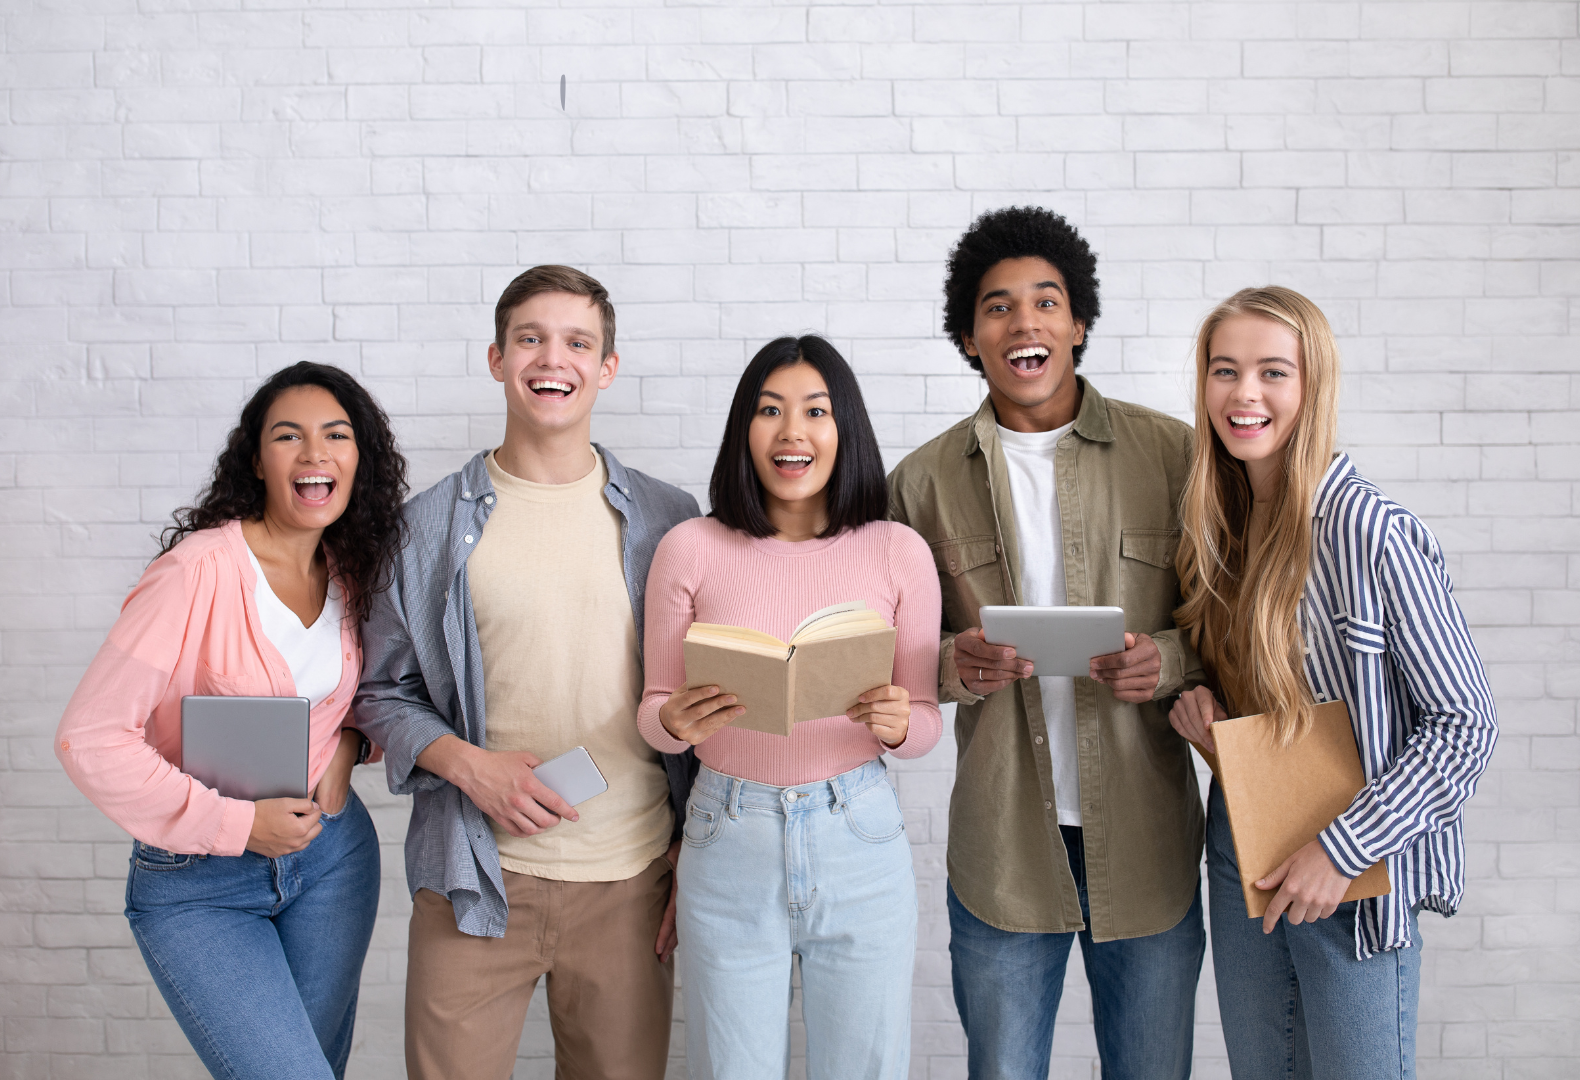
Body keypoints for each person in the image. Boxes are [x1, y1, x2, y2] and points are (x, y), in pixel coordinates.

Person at [353, 265, 699, 1080]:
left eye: (578, 342)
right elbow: (380, 692)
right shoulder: (425, 528)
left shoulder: (669, 520)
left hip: (631, 881)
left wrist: (698, 850)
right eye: (531, 339)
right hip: (473, 881)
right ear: (497, 358)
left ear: (607, 366)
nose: (554, 358)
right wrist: (467, 766)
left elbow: (704, 705)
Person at [886, 206, 1207, 1080]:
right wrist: (952, 664)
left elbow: (1228, 629)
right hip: (1003, 847)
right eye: (997, 307)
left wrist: (1169, 661)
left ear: (1079, 324)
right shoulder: (917, 485)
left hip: (1148, 840)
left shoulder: (1175, 457)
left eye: (1045, 302)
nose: (1023, 321)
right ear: (968, 336)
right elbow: (879, 657)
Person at [1167, 286, 1498, 1079]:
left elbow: (1464, 725)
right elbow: (1281, 715)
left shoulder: (1370, 530)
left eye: (1272, 372)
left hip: (1352, 872)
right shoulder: (1221, 526)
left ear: (1313, 387)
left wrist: (1341, 849)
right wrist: (1212, 729)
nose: (1244, 393)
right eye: (1224, 370)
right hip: (1242, 847)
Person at [55, 362, 407, 1080]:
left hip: (332, 860)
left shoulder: (351, 567)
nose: (315, 453)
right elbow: (89, 737)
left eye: (336, 435)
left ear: (358, 457)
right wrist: (240, 827)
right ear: (257, 459)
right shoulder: (198, 572)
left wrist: (351, 743)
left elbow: (367, 698)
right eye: (289, 436)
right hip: (199, 885)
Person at [638, 334, 942, 1080]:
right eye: (770, 411)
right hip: (727, 832)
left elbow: (927, 719)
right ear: (745, 428)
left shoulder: (897, 550)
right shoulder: (691, 547)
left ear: (846, 430)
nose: (792, 432)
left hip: (858, 833)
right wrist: (672, 723)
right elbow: (651, 709)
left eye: (815, 411)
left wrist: (902, 725)